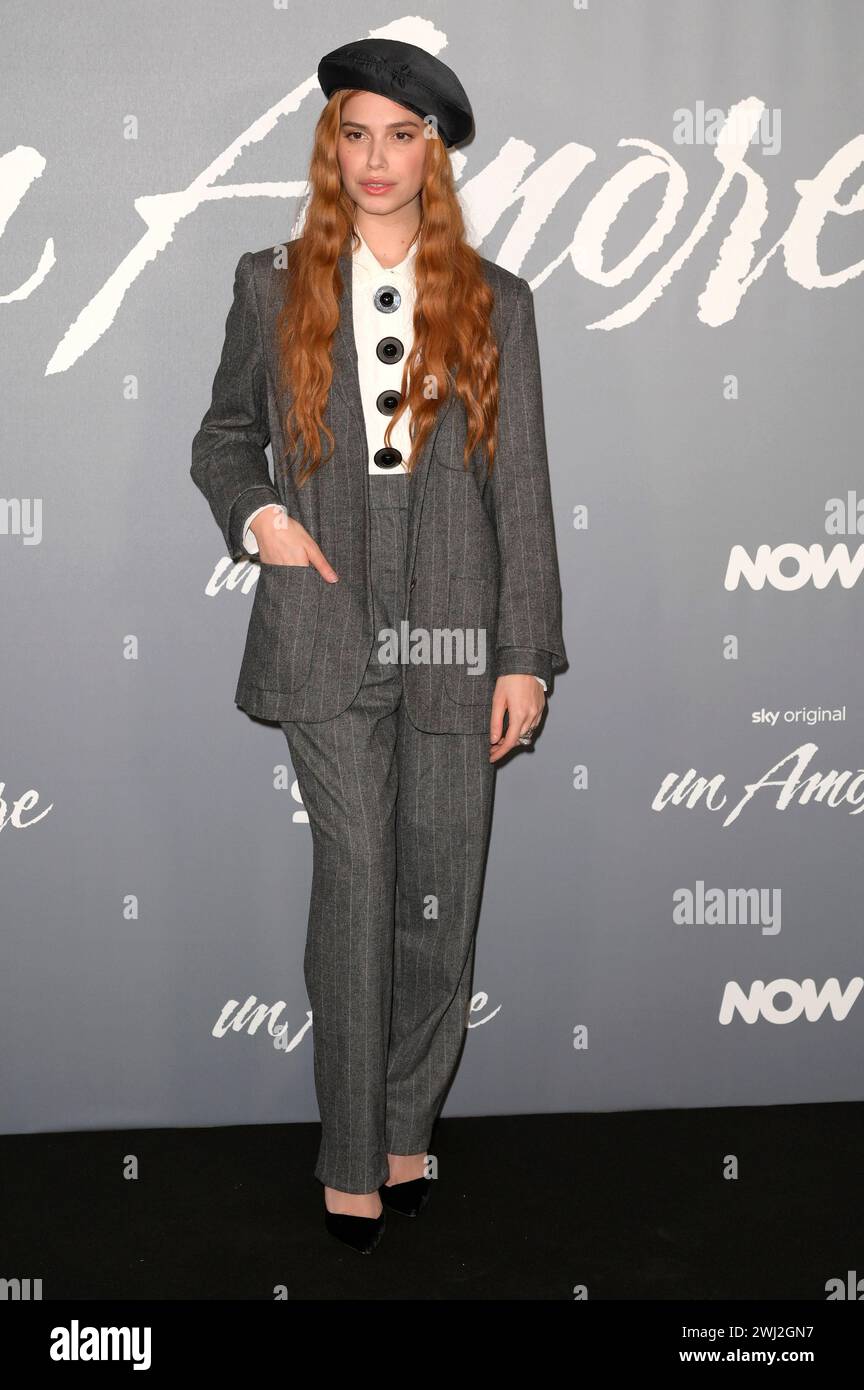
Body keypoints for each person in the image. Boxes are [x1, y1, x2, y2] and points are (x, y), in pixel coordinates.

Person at [191, 37, 567, 1254]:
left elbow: (524, 490)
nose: (377, 160)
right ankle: (350, 1158)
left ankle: (408, 1126)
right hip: (325, 607)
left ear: (435, 152)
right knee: (357, 885)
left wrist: (526, 653)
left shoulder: (498, 299)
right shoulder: (271, 281)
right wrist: (262, 522)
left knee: (438, 896)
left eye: (402, 136)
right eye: (357, 134)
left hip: (462, 615)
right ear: (329, 145)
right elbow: (223, 436)